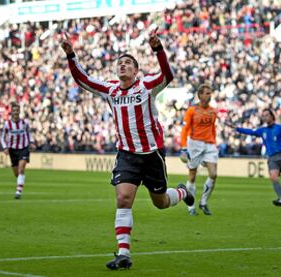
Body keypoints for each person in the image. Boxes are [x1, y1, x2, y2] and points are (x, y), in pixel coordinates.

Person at [60, 28, 194, 270]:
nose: (122, 66)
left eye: (128, 63)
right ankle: (124, 254)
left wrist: (158, 49)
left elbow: (167, 76)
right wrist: (71, 56)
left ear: (136, 70)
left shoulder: (146, 86)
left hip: (152, 154)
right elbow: (84, 80)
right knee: (123, 198)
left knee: (161, 202)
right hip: (127, 155)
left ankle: (182, 192)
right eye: (120, 63)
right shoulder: (110, 89)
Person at [226, 108, 281, 208]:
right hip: (272, 157)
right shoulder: (262, 130)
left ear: (272, 116)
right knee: (273, 176)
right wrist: (237, 128)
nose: (265, 117)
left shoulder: (280, 128)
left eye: (267, 115)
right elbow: (250, 131)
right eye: (263, 115)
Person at [180, 82, 218, 216]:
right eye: (207, 93)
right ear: (200, 95)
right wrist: (184, 148)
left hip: (209, 144)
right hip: (195, 144)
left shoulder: (214, 111)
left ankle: (203, 202)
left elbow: (213, 128)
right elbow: (185, 130)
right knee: (192, 176)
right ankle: (191, 206)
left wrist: (214, 142)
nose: (210, 95)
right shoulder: (191, 110)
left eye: (210, 93)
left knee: (213, 174)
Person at [0, 102, 36, 199]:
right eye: (14, 111)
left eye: (17, 110)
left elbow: (29, 133)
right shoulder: (7, 124)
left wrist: (31, 142)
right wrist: (5, 147)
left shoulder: (25, 123)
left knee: (21, 169)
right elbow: (2, 137)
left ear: (19, 111)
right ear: (11, 112)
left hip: (24, 148)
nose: (16, 112)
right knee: (17, 173)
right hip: (12, 150)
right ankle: (20, 182)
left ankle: (18, 192)